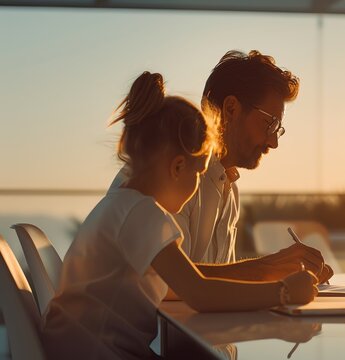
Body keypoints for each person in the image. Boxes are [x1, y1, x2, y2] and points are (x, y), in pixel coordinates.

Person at [42, 72, 318, 360]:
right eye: (199, 173)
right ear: (177, 168)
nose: (201, 182)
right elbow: (198, 290)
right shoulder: (143, 215)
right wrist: (283, 292)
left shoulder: (121, 205)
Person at [110, 50, 333, 284]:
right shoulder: (167, 175)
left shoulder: (229, 189)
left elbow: (216, 289)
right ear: (231, 109)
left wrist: (280, 274)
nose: (273, 142)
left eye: (278, 129)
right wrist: (268, 270)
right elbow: (170, 283)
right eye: (270, 123)